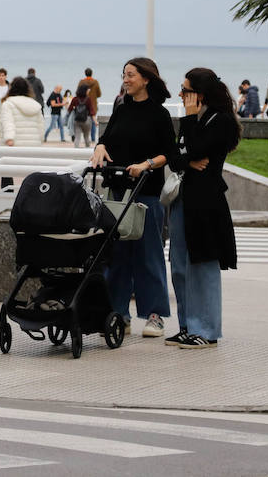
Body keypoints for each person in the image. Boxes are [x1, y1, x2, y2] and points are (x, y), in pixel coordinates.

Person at [90, 57, 177, 339]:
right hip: (116, 193)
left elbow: (170, 154)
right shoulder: (121, 108)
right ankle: (118, 314)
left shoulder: (159, 114)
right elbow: (107, 137)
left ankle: (155, 316)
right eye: (124, 75)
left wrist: (146, 164)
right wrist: (100, 147)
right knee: (116, 257)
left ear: (146, 79)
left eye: (131, 75)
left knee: (148, 256)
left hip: (145, 195)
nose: (126, 80)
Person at [167, 68, 240, 349]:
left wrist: (187, 121)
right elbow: (176, 157)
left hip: (206, 202)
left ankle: (207, 329)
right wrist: (188, 160)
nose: (181, 95)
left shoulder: (220, 121)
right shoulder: (195, 120)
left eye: (185, 90)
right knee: (180, 265)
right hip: (184, 198)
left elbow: (196, 149)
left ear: (200, 93)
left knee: (203, 265)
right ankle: (187, 325)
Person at [0, 76, 44, 147]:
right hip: (33, 146)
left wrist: (9, 139)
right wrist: (40, 140)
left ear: (11, 88)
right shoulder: (36, 105)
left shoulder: (8, 104)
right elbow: (41, 126)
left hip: (13, 147)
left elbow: (8, 122)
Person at [78, 68, 102, 142]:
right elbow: (99, 94)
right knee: (93, 122)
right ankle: (93, 139)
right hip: (93, 104)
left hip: (83, 105)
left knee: (82, 121)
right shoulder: (95, 82)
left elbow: (78, 92)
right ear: (92, 73)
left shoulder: (82, 82)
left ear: (85, 73)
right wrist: (93, 96)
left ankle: (84, 138)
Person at [69, 84, 95, 148]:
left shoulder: (75, 99)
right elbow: (92, 111)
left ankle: (76, 152)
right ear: (85, 91)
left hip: (77, 120)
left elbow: (69, 109)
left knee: (77, 137)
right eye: (88, 90)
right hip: (87, 121)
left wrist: (75, 109)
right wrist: (95, 121)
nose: (88, 91)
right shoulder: (88, 99)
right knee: (86, 137)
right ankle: (87, 152)